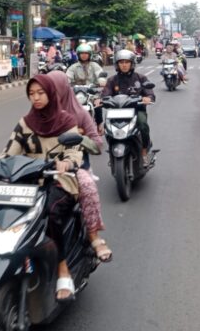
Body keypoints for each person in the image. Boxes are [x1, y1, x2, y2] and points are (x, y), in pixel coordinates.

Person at [0, 74, 84, 301]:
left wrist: (68, 162)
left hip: (59, 180)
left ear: (51, 94)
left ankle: (62, 268)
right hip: (29, 184)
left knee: (51, 212)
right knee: (3, 211)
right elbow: (9, 152)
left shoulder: (66, 121)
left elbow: (75, 151)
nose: (36, 98)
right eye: (31, 94)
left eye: (40, 93)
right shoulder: (26, 123)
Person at [46, 71, 112, 263]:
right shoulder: (39, 113)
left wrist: (80, 137)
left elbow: (98, 144)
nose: (50, 95)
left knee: (88, 188)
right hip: (45, 167)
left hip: (76, 169)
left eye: (53, 91)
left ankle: (93, 235)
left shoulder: (80, 114)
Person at [102, 49, 156, 165]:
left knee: (143, 125)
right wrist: (100, 100)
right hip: (116, 112)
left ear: (132, 64)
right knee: (107, 127)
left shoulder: (140, 78)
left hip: (136, 111)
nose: (124, 65)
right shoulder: (112, 80)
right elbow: (105, 94)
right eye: (121, 62)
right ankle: (112, 150)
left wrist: (148, 98)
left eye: (127, 62)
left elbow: (150, 93)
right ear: (117, 64)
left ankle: (144, 151)